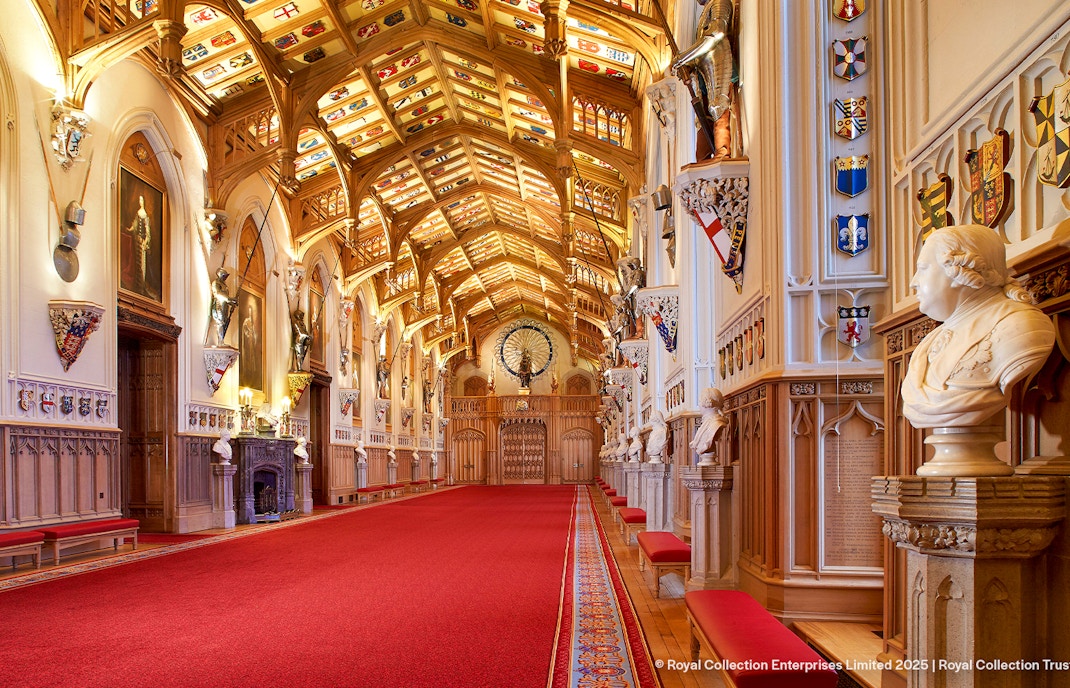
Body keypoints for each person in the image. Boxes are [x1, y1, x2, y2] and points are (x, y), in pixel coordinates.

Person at [902, 225, 1056, 428]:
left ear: (958, 271)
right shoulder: (929, 343)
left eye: (922, 269)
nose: (914, 282)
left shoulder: (1023, 327)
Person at [672, 0, 736, 158]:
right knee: (702, 117)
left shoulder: (719, 3)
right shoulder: (704, 13)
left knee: (718, 108)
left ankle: (722, 152)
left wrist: (682, 58)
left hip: (718, 63)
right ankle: (704, 159)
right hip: (704, 69)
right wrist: (687, 65)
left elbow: (716, 33)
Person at [690, 387, 727, 462]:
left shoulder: (715, 423)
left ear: (706, 403)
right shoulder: (707, 423)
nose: (699, 405)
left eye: (700, 401)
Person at [208, 267, 237, 347]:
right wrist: (229, 299)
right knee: (220, 322)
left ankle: (222, 341)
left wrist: (231, 302)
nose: (225, 278)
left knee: (224, 322)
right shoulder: (216, 283)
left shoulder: (224, 285)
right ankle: (220, 342)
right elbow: (218, 293)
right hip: (219, 304)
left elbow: (226, 296)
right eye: (224, 276)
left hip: (225, 305)